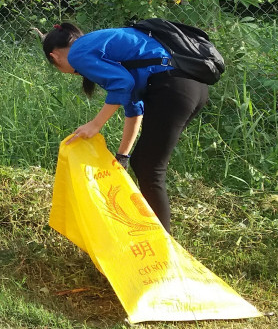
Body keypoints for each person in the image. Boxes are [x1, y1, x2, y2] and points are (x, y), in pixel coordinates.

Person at [41, 22, 210, 232]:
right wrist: (122, 157)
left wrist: (95, 124)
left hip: (173, 88)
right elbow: (134, 107)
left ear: (55, 56)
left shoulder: (78, 53)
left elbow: (121, 83)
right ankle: (158, 240)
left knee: (150, 169)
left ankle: (163, 249)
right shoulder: (103, 49)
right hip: (192, 88)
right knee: (144, 164)